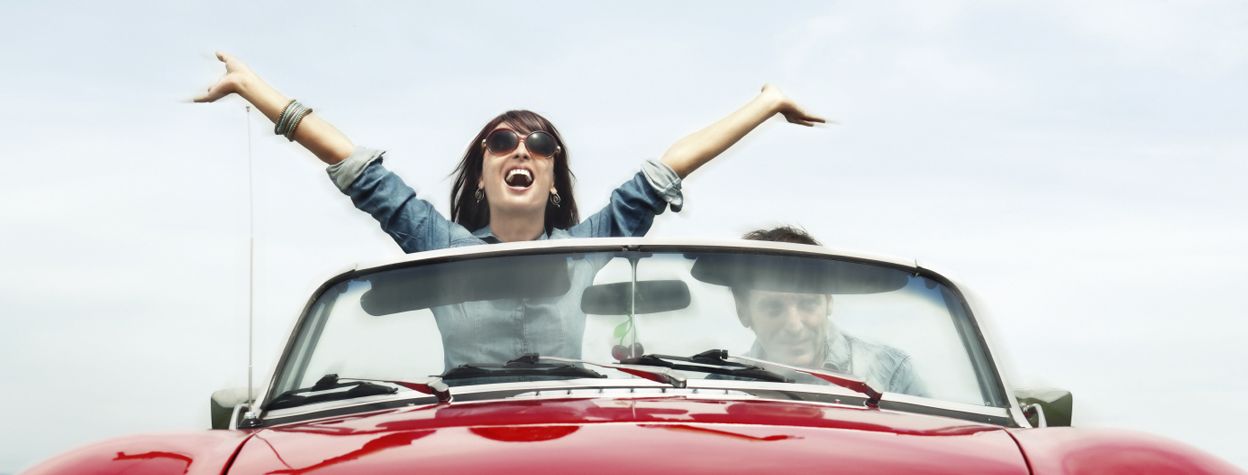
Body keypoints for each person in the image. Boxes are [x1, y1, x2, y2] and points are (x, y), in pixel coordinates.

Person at [194, 52, 825, 369]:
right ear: (484, 170)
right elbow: (362, 173)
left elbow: (667, 170)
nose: (521, 150)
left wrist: (766, 104)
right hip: (463, 430)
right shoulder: (440, 245)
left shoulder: (588, 245)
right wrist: (254, 89)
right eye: (502, 142)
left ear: (551, 175)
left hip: (569, 428)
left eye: (540, 145)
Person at [733, 226, 928, 396]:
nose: (794, 326)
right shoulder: (717, 387)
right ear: (743, 312)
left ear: (829, 300)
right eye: (773, 307)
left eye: (808, 303)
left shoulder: (893, 375)